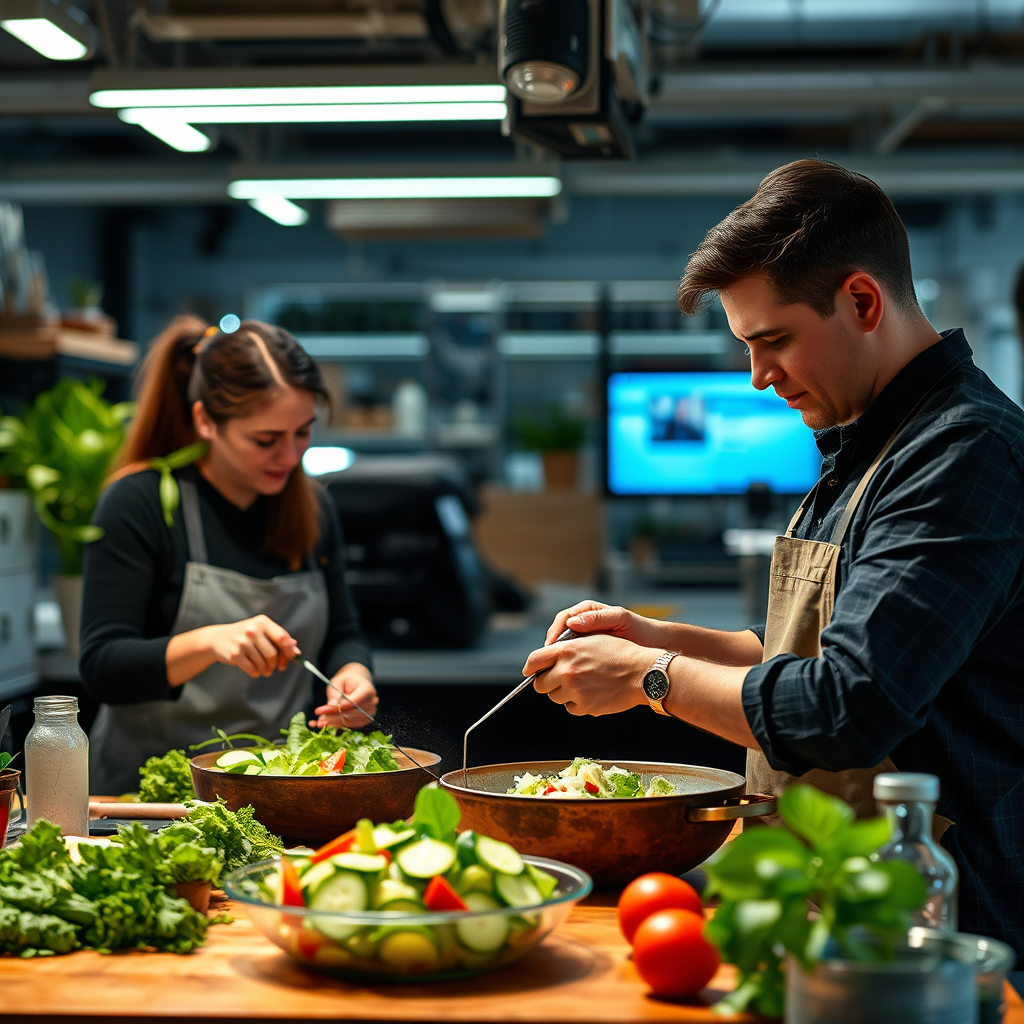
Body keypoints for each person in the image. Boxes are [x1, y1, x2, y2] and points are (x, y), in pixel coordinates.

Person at [524, 159, 1024, 961]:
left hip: (936, 925)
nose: (758, 378)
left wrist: (647, 678)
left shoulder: (962, 454)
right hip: (831, 893)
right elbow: (804, 650)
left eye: (774, 341)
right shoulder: (864, 441)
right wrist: (654, 635)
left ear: (862, 301)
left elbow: (846, 705)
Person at [81, 315, 376, 795]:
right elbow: (103, 667)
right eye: (266, 440)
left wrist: (353, 673)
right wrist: (211, 641)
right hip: (141, 799)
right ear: (205, 421)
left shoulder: (313, 506)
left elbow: (345, 632)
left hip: (274, 792)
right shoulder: (139, 503)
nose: (289, 456)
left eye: (303, 432)